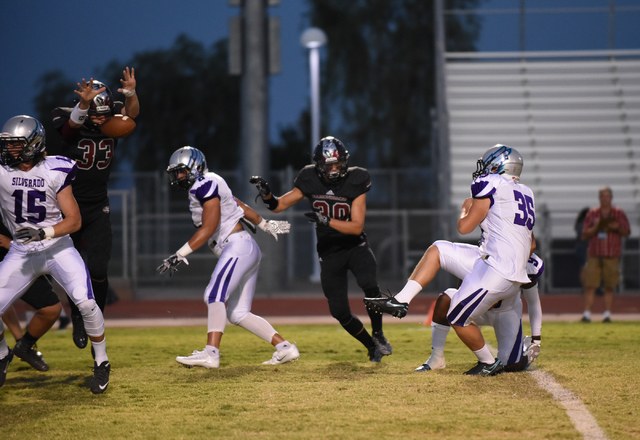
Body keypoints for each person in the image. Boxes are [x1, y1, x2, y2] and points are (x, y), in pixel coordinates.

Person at [365, 144, 536, 375]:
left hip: (497, 271)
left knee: (467, 323)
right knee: (439, 250)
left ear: (497, 166)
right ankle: (401, 300)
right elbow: (531, 243)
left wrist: (465, 208)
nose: (483, 171)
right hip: (496, 266)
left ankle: (489, 362)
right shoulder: (526, 192)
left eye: (487, 166)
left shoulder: (491, 184)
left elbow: (464, 227)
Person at [250, 136, 391, 363]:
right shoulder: (309, 177)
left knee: (369, 285)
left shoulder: (357, 178)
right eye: (329, 165)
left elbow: (356, 227)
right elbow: (278, 206)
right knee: (339, 311)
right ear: (319, 166)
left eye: (338, 164)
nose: (334, 169)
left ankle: (378, 333)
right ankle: (370, 346)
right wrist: (267, 195)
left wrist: (326, 221)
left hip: (355, 246)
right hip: (329, 251)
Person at [157, 146, 299, 368]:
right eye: (176, 173)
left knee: (214, 295)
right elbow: (238, 205)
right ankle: (285, 348)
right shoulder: (209, 183)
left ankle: (211, 353)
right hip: (243, 247)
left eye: (181, 171)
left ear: (195, 168)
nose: (178, 177)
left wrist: (179, 254)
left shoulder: (205, 183)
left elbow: (209, 227)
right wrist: (264, 224)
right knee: (238, 313)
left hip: (237, 246)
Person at [0, 115, 110, 393]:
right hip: (21, 252)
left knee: (86, 303)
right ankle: (2, 355)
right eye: (8, 144)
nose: (10, 150)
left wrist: (44, 233)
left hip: (56, 248)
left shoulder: (55, 169)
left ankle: (102, 361)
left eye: (16, 144)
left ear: (33, 144)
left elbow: (74, 220)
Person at [52, 69, 139, 350]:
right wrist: (84, 106)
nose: (102, 120)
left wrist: (131, 93)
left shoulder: (110, 110)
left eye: (105, 114)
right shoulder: (66, 114)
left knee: (99, 267)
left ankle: (96, 320)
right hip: (69, 206)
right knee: (71, 269)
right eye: (96, 114)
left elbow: (132, 115)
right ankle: (77, 315)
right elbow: (68, 130)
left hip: (99, 203)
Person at [415, 253, 543, 373]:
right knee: (446, 298)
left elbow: (533, 302)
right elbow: (461, 291)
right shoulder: (478, 256)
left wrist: (536, 339)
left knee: (511, 366)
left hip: (506, 313)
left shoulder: (525, 263)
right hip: (480, 308)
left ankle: (525, 352)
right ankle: (436, 358)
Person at [0, 222, 62, 372]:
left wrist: (13, 245)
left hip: (20, 257)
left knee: (51, 309)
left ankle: (23, 346)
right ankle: (2, 353)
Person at [580, 186, 630, 323]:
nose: (605, 199)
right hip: (595, 254)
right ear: (599, 198)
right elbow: (584, 234)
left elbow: (627, 232)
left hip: (611, 254)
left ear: (611, 198)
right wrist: (596, 227)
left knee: (609, 285)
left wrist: (617, 228)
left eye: (607, 196)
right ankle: (587, 314)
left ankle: (607, 314)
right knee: (590, 285)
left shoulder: (618, 213)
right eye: (602, 196)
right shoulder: (593, 213)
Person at [574, 207, 590, 286]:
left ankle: (587, 284)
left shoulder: (581, 224)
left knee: (584, 267)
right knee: (585, 267)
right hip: (583, 248)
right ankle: (586, 284)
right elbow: (583, 237)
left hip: (583, 247)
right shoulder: (583, 224)